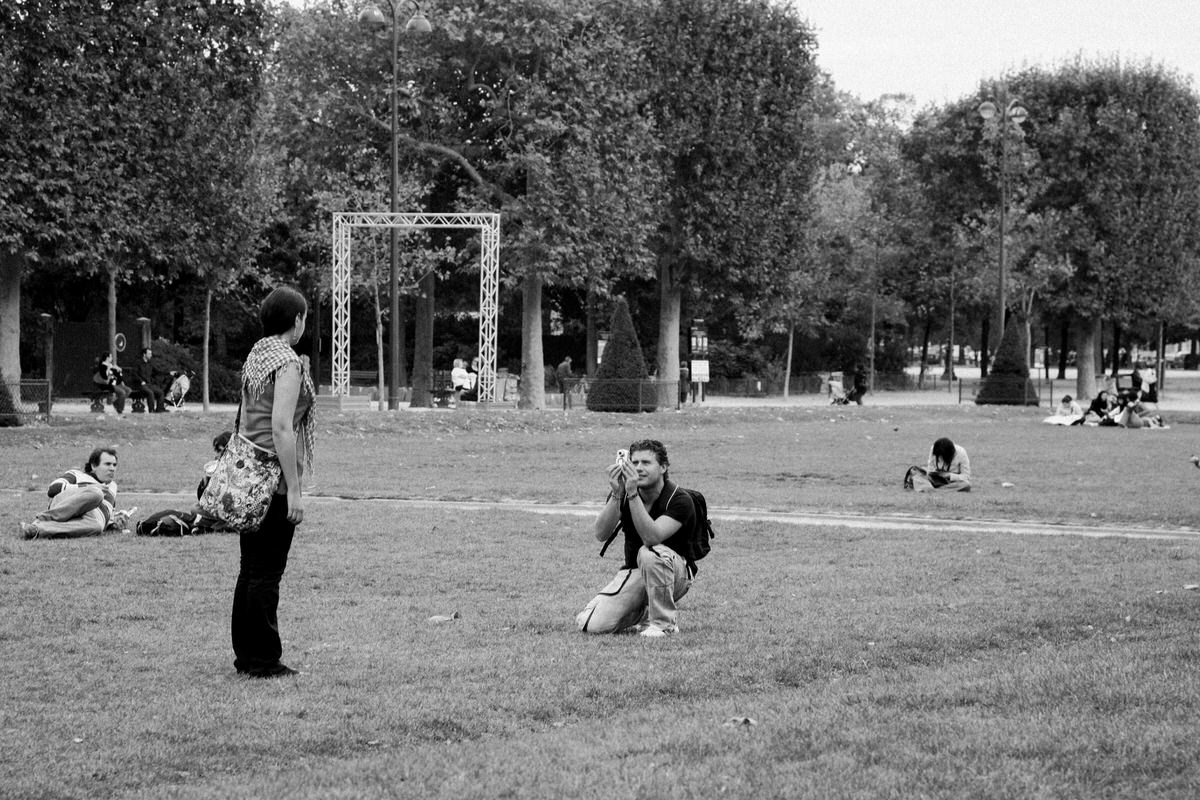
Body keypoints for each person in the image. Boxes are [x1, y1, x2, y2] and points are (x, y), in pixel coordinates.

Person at [230, 286, 316, 679]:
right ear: (296, 321)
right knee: (266, 571)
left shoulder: (257, 355)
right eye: (305, 317)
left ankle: (247, 655)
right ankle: (264, 659)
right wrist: (294, 489)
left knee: (251, 567)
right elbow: (282, 428)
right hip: (273, 478)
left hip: (248, 474)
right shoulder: (287, 363)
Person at [575, 439, 697, 638]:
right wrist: (617, 493)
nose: (639, 468)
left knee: (649, 552)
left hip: (675, 574)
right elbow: (600, 533)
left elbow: (651, 537)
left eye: (646, 463)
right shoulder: (623, 492)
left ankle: (664, 623)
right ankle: (643, 612)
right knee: (592, 624)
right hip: (636, 573)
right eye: (635, 462)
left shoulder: (680, 500)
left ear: (664, 467)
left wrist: (632, 494)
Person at [19, 447, 135, 538]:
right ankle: (44, 519)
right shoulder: (76, 475)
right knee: (97, 494)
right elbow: (53, 489)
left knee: (98, 526)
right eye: (107, 464)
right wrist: (89, 487)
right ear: (94, 466)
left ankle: (36, 530)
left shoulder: (113, 487)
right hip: (68, 506)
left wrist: (115, 522)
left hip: (91, 517)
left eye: (114, 465)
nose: (112, 468)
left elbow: (107, 514)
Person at [904, 437, 971, 492]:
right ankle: (930, 488)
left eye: (942, 457)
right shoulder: (934, 449)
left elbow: (966, 476)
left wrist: (949, 475)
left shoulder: (961, 453)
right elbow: (930, 468)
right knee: (916, 471)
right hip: (934, 479)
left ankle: (931, 490)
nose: (940, 459)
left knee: (966, 485)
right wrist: (933, 474)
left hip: (950, 482)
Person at [129, 347, 167, 413]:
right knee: (150, 393)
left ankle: (160, 409)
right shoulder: (138, 363)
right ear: (144, 354)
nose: (151, 355)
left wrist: (169, 373)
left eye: (151, 354)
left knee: (160, 392)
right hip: (140, 385)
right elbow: (134, 374)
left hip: (148, 384)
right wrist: (141, 381)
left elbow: (158, 372)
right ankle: (151, 410)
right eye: (149, 354)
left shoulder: (150, 364)